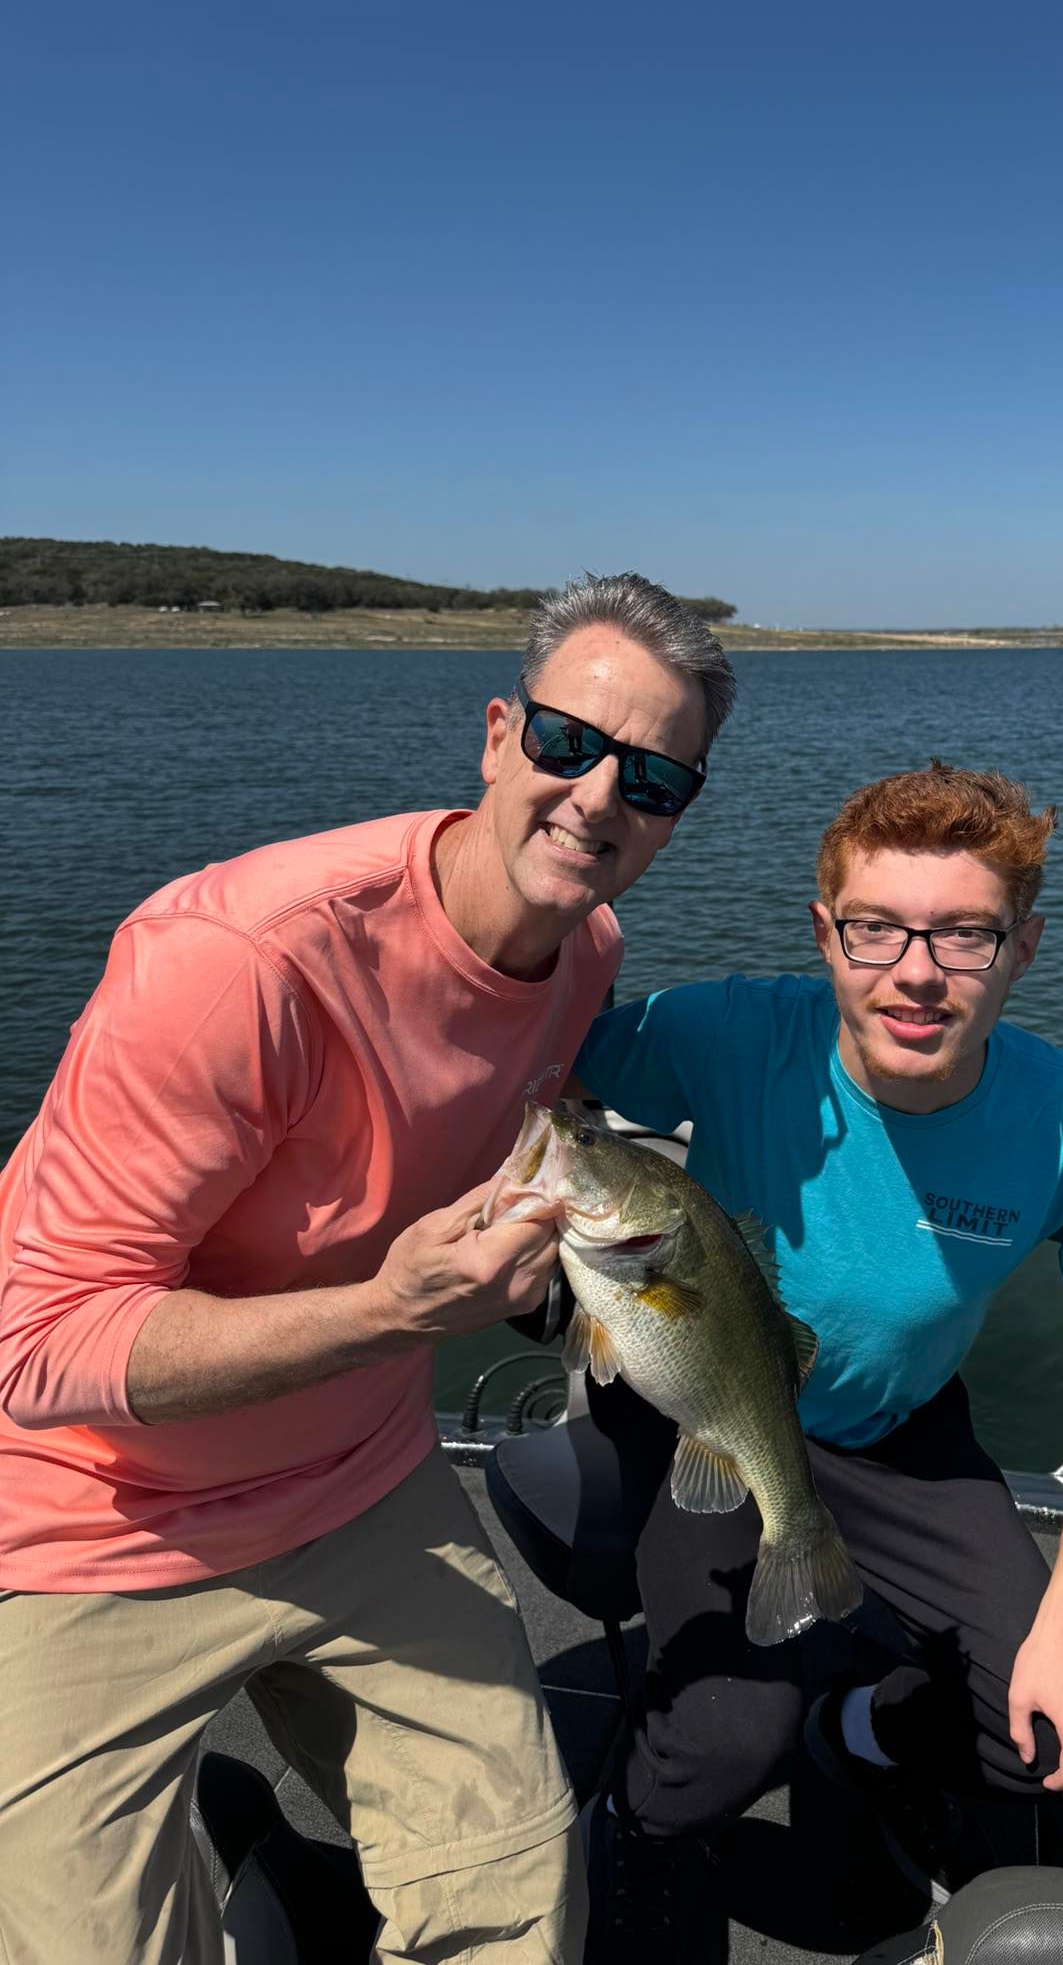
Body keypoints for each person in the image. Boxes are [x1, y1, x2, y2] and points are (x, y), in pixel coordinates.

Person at [0, 575, 736, 1965]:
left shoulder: (587, 948)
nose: (597, 799)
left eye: (652, 777)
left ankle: (280, 1849)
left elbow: (488, 1146)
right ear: (500, 732)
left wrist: (538, 1277)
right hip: (96, 1519)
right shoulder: (243, 963)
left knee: (520, 1911)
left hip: (362, 1484)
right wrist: (390, 1312)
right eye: (571, 745)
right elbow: (33, 1348)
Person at [567, 761, 1063, 1962]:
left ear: (1024, 946)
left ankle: (859, 1729)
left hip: (903, 1429)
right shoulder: (727, 1030)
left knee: (1044, 1736)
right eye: (876, 929)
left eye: (966, 935)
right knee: (725, 1738)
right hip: (714, 1397)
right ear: (826, 932)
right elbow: (544, 1077)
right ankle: (635, 1822)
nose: (915, 971)